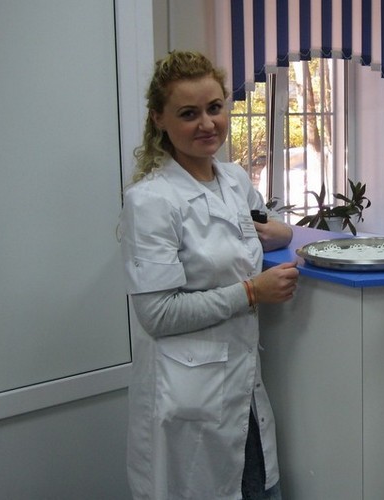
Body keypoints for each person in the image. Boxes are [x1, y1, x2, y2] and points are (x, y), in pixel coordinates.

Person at [117, 51, 299, 500]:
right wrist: (251, 292)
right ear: (159, 119)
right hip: (189, 394)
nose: (207, 124)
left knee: (258, 486)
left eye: (215, 108)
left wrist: (284, 231)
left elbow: (254, 233)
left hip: (243, 386)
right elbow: (158, 314)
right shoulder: (150, 201)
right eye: (188, 114)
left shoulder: (233, 180)